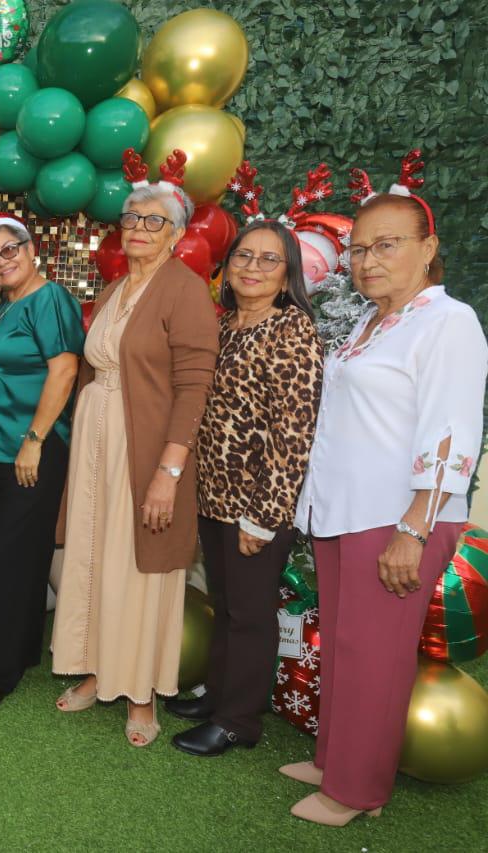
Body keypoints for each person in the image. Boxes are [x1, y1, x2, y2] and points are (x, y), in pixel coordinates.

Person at [286, 173, 487, 824]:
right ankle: (331, 759)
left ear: (429, 248)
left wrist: (415, 526)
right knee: (344, 643)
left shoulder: (448, 323)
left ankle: (357, 789)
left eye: (388, 245)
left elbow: (451, 429)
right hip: (343, 509)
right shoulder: (375, 324)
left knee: (375, 655)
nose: (369, 261)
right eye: (361, 249)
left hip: (396, 515)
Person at [52, 173, 220, 746]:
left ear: (175, 234)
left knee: (140, 566)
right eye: (132, 219)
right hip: (98, 441)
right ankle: (101, 670)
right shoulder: (115, 288)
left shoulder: (185, 289)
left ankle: (141, 691)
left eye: (155, 221)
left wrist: (168, 474)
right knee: (98, 554)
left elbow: (195, 386)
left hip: (146, 447)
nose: (140, 229)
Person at [168, 220, 324, 757]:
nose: (252, 268)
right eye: (243, 257)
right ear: (227, 266)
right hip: (214, 497)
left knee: (251, 614)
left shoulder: (292, 329)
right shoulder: (227, 326)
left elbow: (294, 429)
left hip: (259, 506)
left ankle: (238, 722)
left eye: (268, 260)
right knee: (226, 604)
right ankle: (217, 697)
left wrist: (267, 514)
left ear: (287, 277)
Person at [0, 217, 84, 708]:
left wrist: (34, 440)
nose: (2, 260)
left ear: (32, 250)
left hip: (30, 448)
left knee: (10, 559)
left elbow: (65, 368)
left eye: (10, 249)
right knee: (23, 552)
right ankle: (26, 649)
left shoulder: (49, 299)